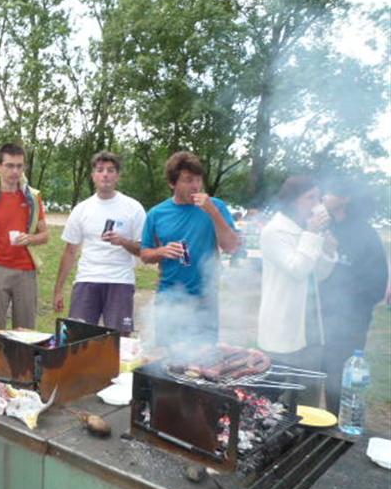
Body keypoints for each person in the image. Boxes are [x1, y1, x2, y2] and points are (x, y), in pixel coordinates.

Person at [140, 151, 240, 346]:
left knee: (204, 361)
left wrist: (212, 212)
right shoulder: (156, 213)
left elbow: (231, 246)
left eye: (198, 179)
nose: (195, 185)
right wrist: (161, 252)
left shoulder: (215, 206)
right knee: (168, 361)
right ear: (172, 183)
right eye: (188, 180)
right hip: (169, 298)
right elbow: (145, 254)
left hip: (205, 299)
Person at [257, 176, 336, 406]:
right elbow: (297, 269)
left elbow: (318, 274)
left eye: (319, 197)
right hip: (283, 325)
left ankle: (307, 438)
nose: (317, 203)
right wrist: (312, 234)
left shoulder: (307, 231)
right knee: (279, 401)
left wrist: (328, 251)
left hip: (310, 326)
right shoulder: (275, 231)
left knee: (308, 397)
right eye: (310, 197)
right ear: (293, 201)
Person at [52, 151, 146, 332]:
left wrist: (123, 242)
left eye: (111, 170)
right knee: (78, 339)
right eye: (100, 170)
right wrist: (58, 290)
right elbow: (70, 251)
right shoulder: (82, 209)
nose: (105, 174)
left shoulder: (133, 208)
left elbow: (144, 249)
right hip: (87, 279)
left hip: (120, 282)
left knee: (119, 342)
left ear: (118, 176)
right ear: (93, 175)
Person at [320, 180, 388, 413]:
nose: (324, 196)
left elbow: (377, 284)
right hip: (321, 316)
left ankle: (336, 423)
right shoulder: (327, 228)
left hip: (350, 321)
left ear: (344, 198)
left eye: (329, 192)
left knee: (339, 375)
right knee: (319, 370)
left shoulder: (365, 233)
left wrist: (346, 305)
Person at [0, 143, 48, 331]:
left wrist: (30, 239)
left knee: (25, 333)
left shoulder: (32, 197)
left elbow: (45, 235)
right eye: (9, 165)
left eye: (19, 166)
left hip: (26, 271)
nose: (15, 171)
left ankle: (21, 361)